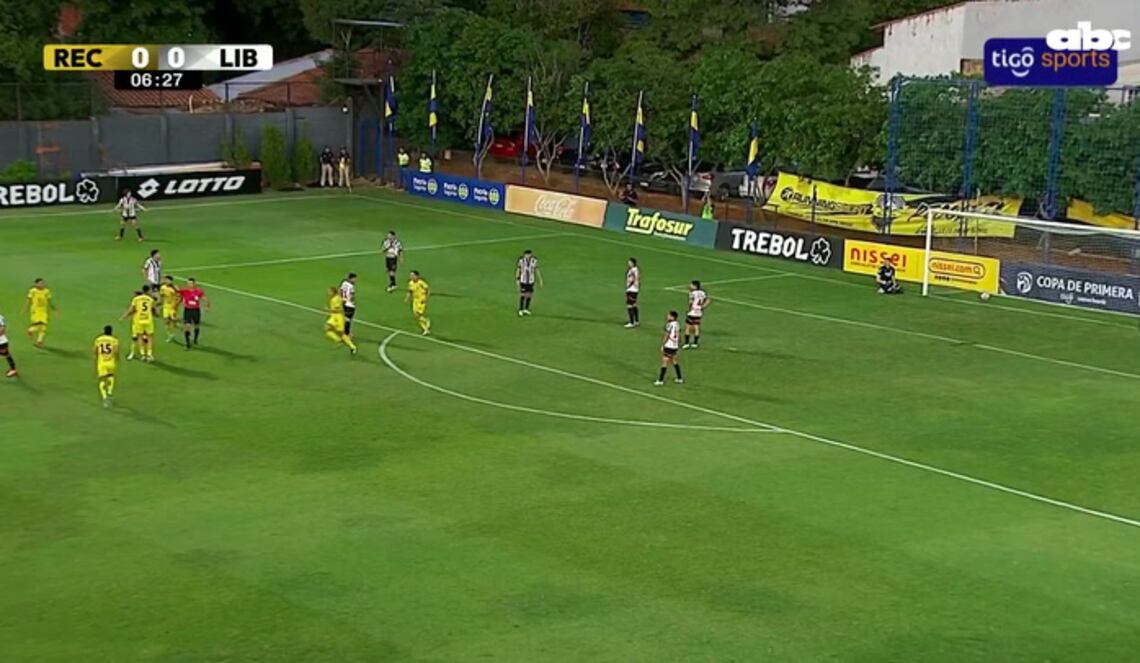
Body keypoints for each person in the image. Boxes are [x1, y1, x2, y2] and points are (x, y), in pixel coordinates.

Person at [121, 286, 156, 363]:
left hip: (139, 320)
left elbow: (132, 309)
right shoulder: (150, 299)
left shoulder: (136, 299)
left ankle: (142, 354)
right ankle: (149, 354)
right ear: (148, 291)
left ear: (142, 290)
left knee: (139, 336)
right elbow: (153, 309)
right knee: (149, 337)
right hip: (148, 320)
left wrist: (125, 316)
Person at [22, 278, 55, 348]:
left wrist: (54, 309)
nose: (42, 284)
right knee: (39, 325)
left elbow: (49, 300)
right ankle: (31, 331)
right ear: (36, 284)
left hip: (43, 311)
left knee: (43, 327)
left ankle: (39, 341)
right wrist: (25, 308)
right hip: (35, 311)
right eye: (40, 283)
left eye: (43, 283)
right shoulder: (33, 291)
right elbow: (28, 300)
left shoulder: (47, 291)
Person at [324, 286, 358, 354]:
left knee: (341, 334)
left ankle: (351, 346)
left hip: (338, 318)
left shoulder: (335, 299)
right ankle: (339, 340)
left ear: (333, 292)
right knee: (327, 328)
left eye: (329, 291)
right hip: (334, 317)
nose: (328, 293)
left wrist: (328, 309)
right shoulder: (335, 298)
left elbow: (338, 310)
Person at [655, 311, 684, 386]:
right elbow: (678, 334)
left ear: (672, 317)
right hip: (675, 346)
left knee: (665, 362)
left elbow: (667, 335)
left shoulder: (669, 324)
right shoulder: (677, 324)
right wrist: (678, 343)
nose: (667, 316)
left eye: (668, 315)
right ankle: (679, 378)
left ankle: (660, 380)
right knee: (674, 361)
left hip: (669, 345)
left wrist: (663, 344)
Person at [93, 325, 120, 408]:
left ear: (104, 331)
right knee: (111, 376)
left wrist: (97, 356)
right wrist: (117, 359)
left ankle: (104, 397)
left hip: (101, 363)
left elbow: (95, 350)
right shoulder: (114, 340)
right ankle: (110, 392)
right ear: (111, 332)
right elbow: (116, 351)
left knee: (102, 380)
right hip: (111, 362)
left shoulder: (98, 339)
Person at [178, 278, 209, 348]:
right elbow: (177, 292)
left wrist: (207, 306)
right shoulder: (184, 291)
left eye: (191, 283)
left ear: (195, 284)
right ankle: (187, 343)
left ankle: (195, 339)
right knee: (187, 327)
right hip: (187, 310)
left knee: (196, 326)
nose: (190, 285)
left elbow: (205, 298)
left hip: (196, 310)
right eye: (188, 283)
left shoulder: (198, 291)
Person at [683, 280, 710, 349]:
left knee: (688, 327)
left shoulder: (692, 293)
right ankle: (695, 343)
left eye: (691, 285)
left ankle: (686, 343)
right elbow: (708, 300)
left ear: (695, 286)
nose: (690, 286)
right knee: (696, 327)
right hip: (699, 312)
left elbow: (690, 302)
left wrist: (689, 309)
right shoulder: (703, 292)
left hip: (692, 312)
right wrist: (703, 307)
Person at [516, 249, 543, 316]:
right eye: (526, 255)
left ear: (531, 254)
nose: (527, 256)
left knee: (529, 295)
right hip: (523, 280)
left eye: (529, 254)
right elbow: (518, 269)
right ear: (524, 255)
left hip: (531, 280)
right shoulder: (521, 260)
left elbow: (537, 270)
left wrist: (540, 279)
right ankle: (521, 309)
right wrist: (517, 279)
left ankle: (526, 309)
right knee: (523, 295)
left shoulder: (534, 260)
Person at [405, 270, 431, 335]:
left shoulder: (421, 283)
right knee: (416, 315)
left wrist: (426, 298)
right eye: (411, 275)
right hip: (415, 300)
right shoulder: (410, 283)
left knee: (419, 314)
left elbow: (428, 290)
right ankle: (425, 329)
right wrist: (407, 298)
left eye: (413, 275)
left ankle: (426, 321)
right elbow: (410, 291)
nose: (411, 277)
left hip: (421, 300)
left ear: (417, 276)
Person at [158, 275, 181, 342]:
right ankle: (170, 335)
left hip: (173, 306)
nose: (167, 281)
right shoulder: (162, 287)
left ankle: (173, 331)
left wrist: (176, 305)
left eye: (168, 280)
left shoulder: (175, 288)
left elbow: (180, 296)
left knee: (173, 320)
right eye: (166, 280)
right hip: (166, 306)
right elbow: (162, 296)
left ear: (171, 281)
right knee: (166, 321)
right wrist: (160, 303)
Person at [339, 272, 357, 337]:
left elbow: (340, 290)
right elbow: (352, 295)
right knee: (348, 319)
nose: (355, 280)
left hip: (343, 302)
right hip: (349, 305)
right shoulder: (351, 286)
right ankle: (347, 333)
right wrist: (353, 302)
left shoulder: (343, 283)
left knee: (346, 318)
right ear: (351, 278)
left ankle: (344, 331)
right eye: (355, 279)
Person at [624, 258, 641, 329]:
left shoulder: (634, 270)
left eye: (630, 262)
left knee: (629, 305)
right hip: (633, 289)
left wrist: (631, 285)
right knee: (634, 305)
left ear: (633, 263)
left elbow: (635, 278)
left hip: (632, 289)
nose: (628, 263)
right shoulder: (634, 269)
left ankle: (631, 322)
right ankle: (636, 321)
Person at [0, 312, 17, 378]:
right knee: (6, 354)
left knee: (6, 354)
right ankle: (13, 369)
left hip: (1, 341)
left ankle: (13, 369)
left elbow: (2, 329)